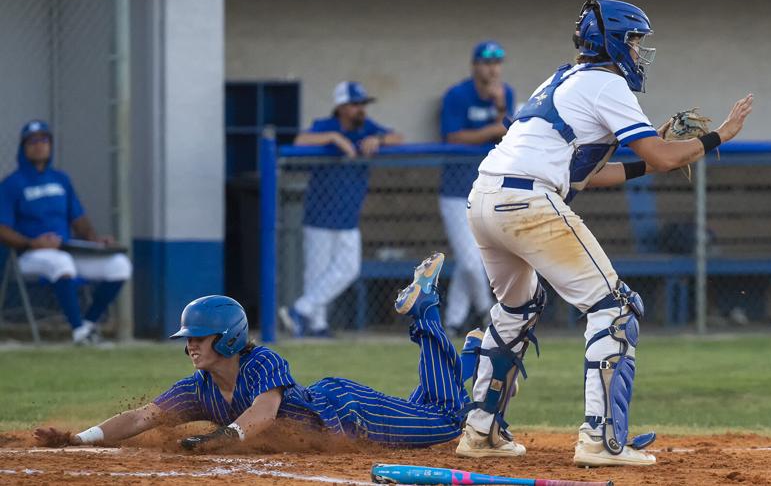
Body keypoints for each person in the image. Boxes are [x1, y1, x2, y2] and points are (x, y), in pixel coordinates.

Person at [458, 0, 753, 466]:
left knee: (518, 306)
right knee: (615, 308)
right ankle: (600, 441)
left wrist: (656, 152)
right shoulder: (606, 82)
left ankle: (480, 432)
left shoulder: (561, 79)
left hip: (483, 199)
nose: (638, 52)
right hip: (528, 201)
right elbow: (663, 157)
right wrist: (719, 135)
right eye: (634, 41)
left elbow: (590, 173)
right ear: (613, 41)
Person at [34, 253, 485, 451]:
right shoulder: (199, 389)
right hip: (344, 414)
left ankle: (425, 306)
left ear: (227, 338)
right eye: (189, 337)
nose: (190, 344)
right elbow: (141, 417)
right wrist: (81, 439)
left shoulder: (262, 362)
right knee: (425, 405)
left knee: (446, 419)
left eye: (199, 337)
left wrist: (219, 441)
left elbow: (263, 414)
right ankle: (471, 360)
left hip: (349, 412)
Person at [279, 81, 402, 337]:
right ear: (341, 107)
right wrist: (334, 138)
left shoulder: (367, 128)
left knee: (348, 269)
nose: (361, 110)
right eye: (355, 105)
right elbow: (300, 140)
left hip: (348, 216)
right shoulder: (327, 126)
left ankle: (300, 309)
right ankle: (316, 325)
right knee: (316, 272)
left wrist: (377, 139)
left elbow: (398, 137)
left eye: (362, 104)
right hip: (319, 215)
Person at [0, 120, 132, 344]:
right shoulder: (12, 184)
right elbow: (2, 229)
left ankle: (88, 325)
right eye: (32, 141)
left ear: (50, 145)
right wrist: (32, 243)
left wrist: (95, 240)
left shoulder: (61, 180)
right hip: (28, 255)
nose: (39, 145)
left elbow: (78, 219)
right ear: (23, 147)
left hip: (66, 249)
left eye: (44, 140)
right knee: (61, 263)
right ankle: (78, 332)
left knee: (119, 265)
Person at [439, 41, 515, 336]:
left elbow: (512, 133)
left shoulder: (504, 94)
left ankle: (454, 321)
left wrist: (501, 109)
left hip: (488, 188)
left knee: (473, 258)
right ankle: (487, 312)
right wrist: (494, 128)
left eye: (497, 62)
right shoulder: (457, 95)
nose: (492, 68)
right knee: (472, 260)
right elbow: (452, 137)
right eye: (486, 62)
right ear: (474, 66)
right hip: (455, 191)